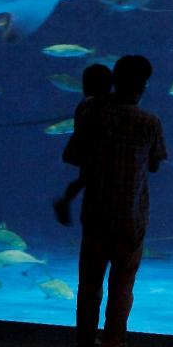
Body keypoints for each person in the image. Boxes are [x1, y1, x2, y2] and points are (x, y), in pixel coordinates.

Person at [62, 54, 167, 347]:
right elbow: (155, 163)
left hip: (95, 213)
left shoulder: (93, 114)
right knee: (122, 286)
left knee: (89, 284)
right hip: (130, 217)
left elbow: (72, 155)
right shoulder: (149, 122)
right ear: (143, 86)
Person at [53, 63, 114, 226]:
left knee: (83, 180)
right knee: (87, 180)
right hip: (97, 151)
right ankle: (65, 202)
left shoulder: (85, 101)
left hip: (88, 151)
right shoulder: (97, 103)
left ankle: (65, 201)